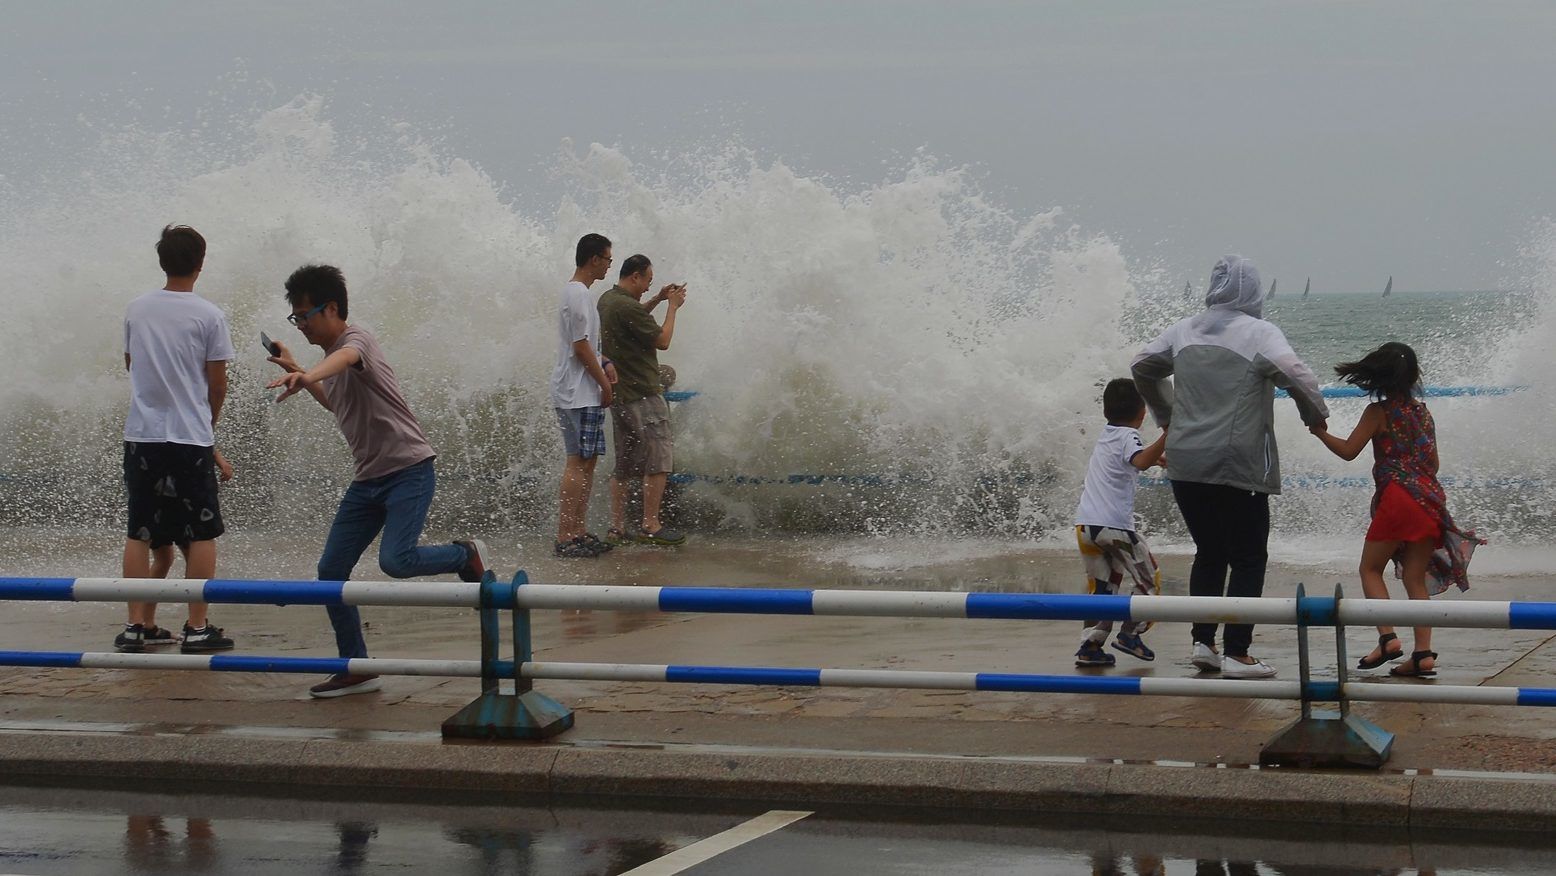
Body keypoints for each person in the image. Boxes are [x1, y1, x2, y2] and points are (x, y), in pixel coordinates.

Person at [265, 264, 488, 698]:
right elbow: (338, 405)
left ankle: (464, 555)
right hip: (368, 481)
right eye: (295, 318)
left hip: (409, 470)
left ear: (332, 308)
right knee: (330, 571)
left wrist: (308, 372)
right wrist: (300, 369)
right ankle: (357, 665)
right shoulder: (330, 360)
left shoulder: (356, 341)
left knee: (396, 561)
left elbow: (345, 359)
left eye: (304, 315)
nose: (302, 324)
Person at [1131, 255, 1328, 679]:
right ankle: (1238, 654)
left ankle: (1204, 643)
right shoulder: (1259, 332)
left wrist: (1167, 417)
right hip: (1237, 462)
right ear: (1253, 291)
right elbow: (1296, 372)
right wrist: (1315, 415)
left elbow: (1141, 366)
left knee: (1210, 551)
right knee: (1249, 556)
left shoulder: (1183, 329)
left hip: (1185, 461)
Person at [1310, 342, 1484, 679]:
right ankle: (1422, 655)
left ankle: (1388, 638)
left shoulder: (1379, 413)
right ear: (1412, 376)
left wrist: (1319, 433)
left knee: (1370, 569)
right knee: (1414, 577)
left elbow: (1348, 451)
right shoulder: (1423, 412)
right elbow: (1432, 463)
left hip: (1398, 499)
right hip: (1429, 499)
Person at [116, 224, 236, 655]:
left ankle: (134, 626)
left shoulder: (137, 309)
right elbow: (217, 384)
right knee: (201, 532)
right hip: (189, 437)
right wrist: (208, 425)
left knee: (140, 532)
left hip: (142, 435)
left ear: (162, 261)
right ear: (200, 265)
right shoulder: (209, 315)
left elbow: (132, 364)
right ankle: (197, 626)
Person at [1073, 379, 1167, 667]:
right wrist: (1168, 434)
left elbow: (1129, 460)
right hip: (1115, 528)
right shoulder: (1130, 435)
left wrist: (1155, 457)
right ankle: (1131, 632)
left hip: (1086, 527)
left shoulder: (1108, 434)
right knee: (1150, 580)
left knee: (1102, 589)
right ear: (1142, 413)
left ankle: (1091, 646)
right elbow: (1139, 461)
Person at [598, 254, 688, 546]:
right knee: (659, 458)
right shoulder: (626, 307)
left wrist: (660, 299)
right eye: (648, 280)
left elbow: (634, 316)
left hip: (620, 394)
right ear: (635, 276)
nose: (649, 287)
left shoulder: (609, 300)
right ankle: (651, 524)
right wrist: (673, 307)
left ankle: (616, 526)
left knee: (623, 464)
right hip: (644, 394)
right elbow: (662, 340)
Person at [550, 233, 617, 558]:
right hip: (577, 393)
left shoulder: (581, 294)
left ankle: (578, 529)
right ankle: (565, 535)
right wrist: (604, 383)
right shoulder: (577, 294)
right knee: (577, 462)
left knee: (587, 462)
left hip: (583, 390)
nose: (608, 266)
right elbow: (578, 346)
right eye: (607, 259)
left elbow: (587, 344)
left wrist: (605, 362)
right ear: (594, 259)